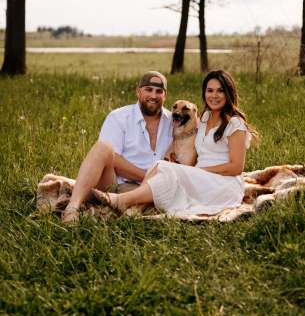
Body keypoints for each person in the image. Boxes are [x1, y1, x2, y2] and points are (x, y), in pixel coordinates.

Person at [94, 69, 257, 217]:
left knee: (166, 170)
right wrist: (173, 153)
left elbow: (237, 167)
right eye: (210, 90)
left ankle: (120, 200)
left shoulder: (235, 124)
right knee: (161, 165)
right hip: (201, 179)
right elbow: (186, 135)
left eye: (220, 91)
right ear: (204, 93)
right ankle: (135, 205)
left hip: (223, 184)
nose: (214, 95)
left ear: (229, 93)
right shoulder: (205, 118)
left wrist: (200, 171)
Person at [62, 70, 173, 223]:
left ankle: (118, 208)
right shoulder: (119, 117)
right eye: (148, 90)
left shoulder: (174, 122)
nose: (153, 96)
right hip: (117, 183)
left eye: (159, 91)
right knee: (103, 147)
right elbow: (114, 161)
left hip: (154, 191)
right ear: (138, 92)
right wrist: (148, 177)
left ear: (165, 96)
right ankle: (72, 208)